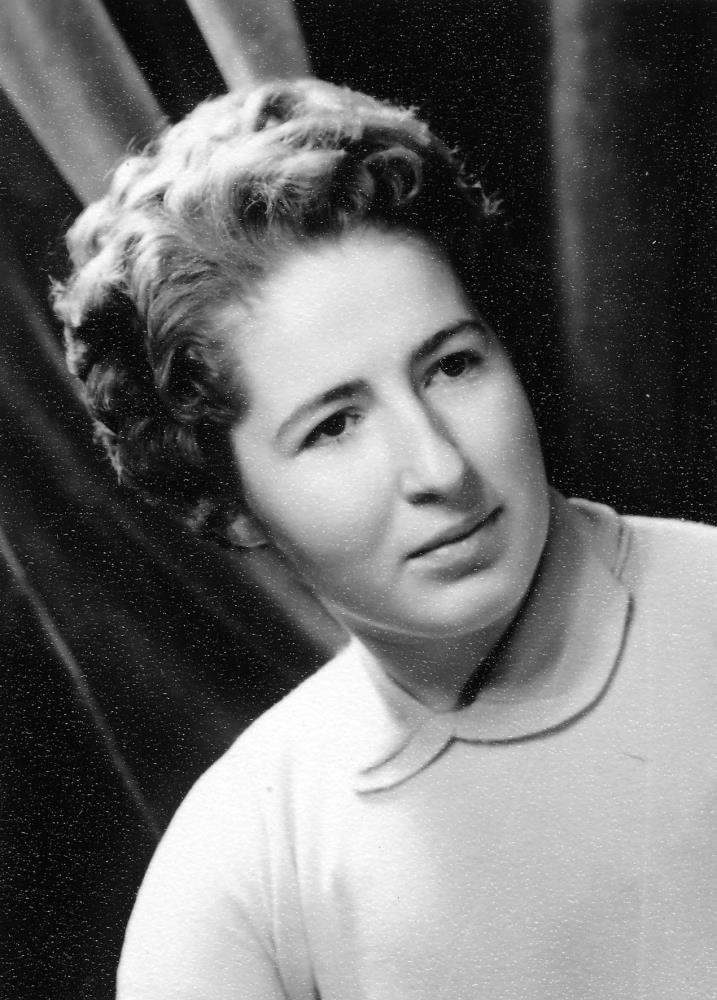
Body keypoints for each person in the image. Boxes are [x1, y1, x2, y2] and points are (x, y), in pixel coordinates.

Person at [52, 78, 717, 1000]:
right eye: (333, 426)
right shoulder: (239, 876)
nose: (439, 467)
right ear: (230, 503)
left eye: (451, 367)